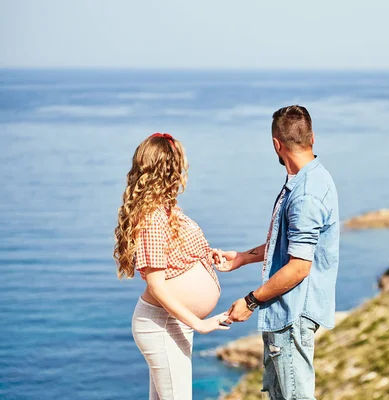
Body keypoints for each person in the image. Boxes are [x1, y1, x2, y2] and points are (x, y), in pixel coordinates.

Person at [218, 106, 340, 400]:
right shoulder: (310, 179)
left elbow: (299, 267)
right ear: (312, 137)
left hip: (291, 315)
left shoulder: (306, 194)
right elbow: (289, 245)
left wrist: (250, 301)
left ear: (277, 144)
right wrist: (244, 257)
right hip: (286, 314)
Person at [113, 133, 230, 400]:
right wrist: (200, 325)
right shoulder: (153, 217)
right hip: (162, 324)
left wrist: (206, 257)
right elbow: (156, 285)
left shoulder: (166, 211)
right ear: (169, 169)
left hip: (171, 323)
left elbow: (174, 257)